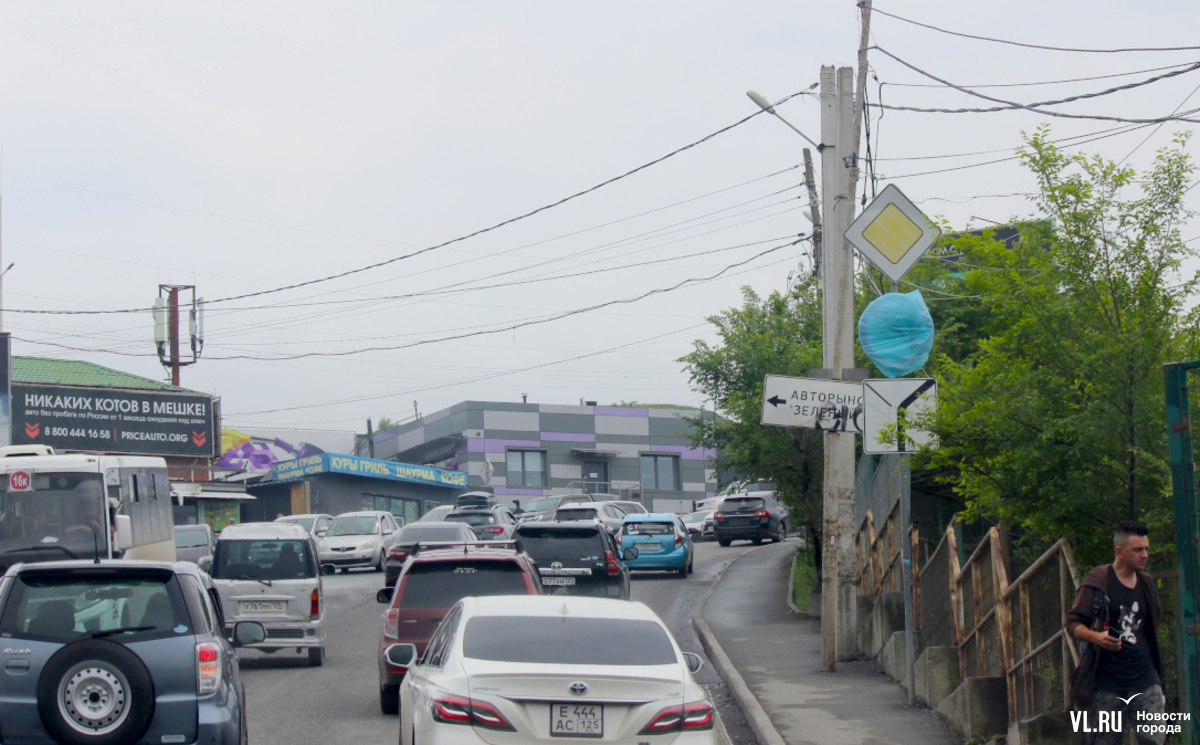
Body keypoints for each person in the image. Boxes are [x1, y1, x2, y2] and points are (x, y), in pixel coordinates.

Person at [1066, 521, 1165, 744]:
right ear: (1120, 552)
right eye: (1138, 550)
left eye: (1146, 549)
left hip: (1145, 679)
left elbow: (1152, 627)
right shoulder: (1099, 581)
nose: (1144, 555)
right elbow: (1073, 623)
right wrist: (1096, 637)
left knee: (1154, 740)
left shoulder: (1147, 583)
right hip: (1106, 682)